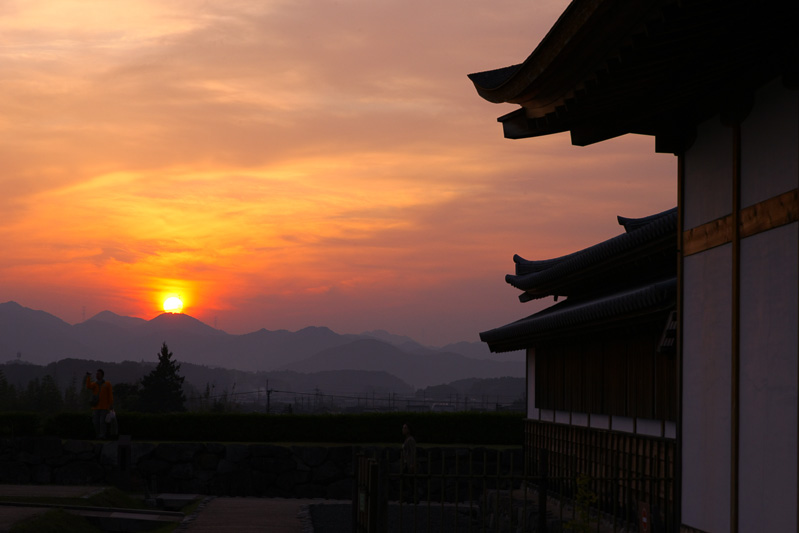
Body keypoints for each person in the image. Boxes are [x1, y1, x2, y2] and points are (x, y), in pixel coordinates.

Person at [85, 369, 114, 439]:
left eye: (99, 374)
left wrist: (110, 405)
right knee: (95, 422)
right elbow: (88, 386)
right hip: (96, 407)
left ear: (102, 375)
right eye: (96, 374)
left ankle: (102, 435)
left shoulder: (107, 384)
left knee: (102, 422)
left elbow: (110, 394)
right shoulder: (95, 384)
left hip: (104, 407)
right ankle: (98, 435)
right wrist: (88, 377)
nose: (97, 375)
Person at [401, 423, 417, 503]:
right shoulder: (408, 439)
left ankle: (411, 498)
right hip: (406, 463)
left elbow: (413, 452)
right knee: (407, 481)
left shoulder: (410, 440)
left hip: (408, 464)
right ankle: (408, 497)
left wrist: (412, 464)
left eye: (405, 428)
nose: (403, 429)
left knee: (410, 482)